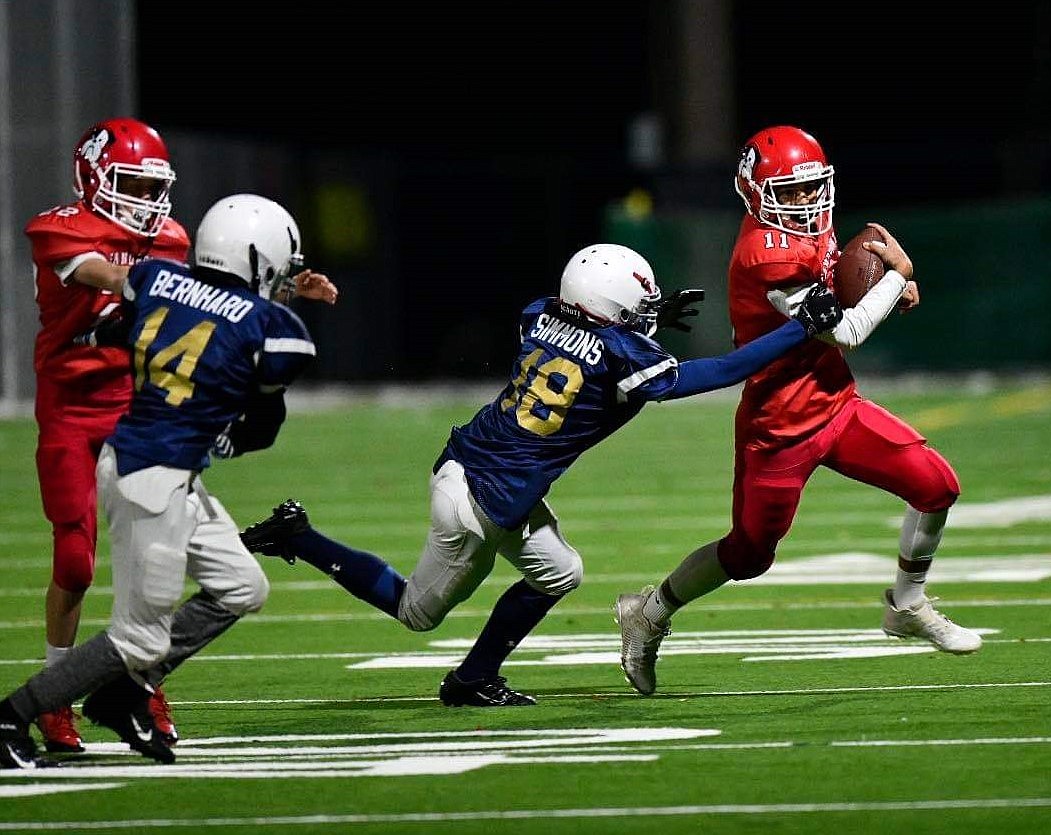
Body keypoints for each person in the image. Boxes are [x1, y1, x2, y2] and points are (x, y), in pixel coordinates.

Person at [237, 242, 844, 707]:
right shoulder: (618, 353)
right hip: (479, 499)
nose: (646, 319)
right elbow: (711, 374)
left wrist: (644, 315)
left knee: (560, 572)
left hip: (486, 469)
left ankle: (475, 675)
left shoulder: (539, 316)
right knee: (417, 612)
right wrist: (799, 329)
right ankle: (298, 536)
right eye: (639, 309)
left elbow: (587, 328)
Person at [613, 125, 981, 697]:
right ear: (755, 192)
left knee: (937, 487)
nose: (807, 202)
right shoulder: (764, 254)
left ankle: (906, 605)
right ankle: (649, 612)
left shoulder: (810, 226)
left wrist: (878, 283)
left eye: (813, 188)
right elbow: (847, 330)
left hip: (835, 403)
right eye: (792, 191)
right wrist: (896, 277)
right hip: (777, 426)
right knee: (747, 553)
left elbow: (837, 284)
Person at [1, 193, 328, 769]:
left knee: (242, 588)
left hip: (161, 466)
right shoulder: (278, 332)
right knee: (139, 639)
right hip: (149, 476)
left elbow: (119, 325)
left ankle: (124, 694)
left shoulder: (155, 278)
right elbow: (263, 422)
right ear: (256, 258)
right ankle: (15, 713)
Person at [24, 117, 190, 752]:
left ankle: (142, 686)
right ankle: (53, 694)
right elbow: (109, 276)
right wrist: (160, 285)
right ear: (94, 178)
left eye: (155, 189)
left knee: (153, 556)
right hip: (69, 404)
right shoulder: (60, 229)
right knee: (75, 557)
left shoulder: (170, 238)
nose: (148, 203)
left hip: (136, 405)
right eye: (133, 186)